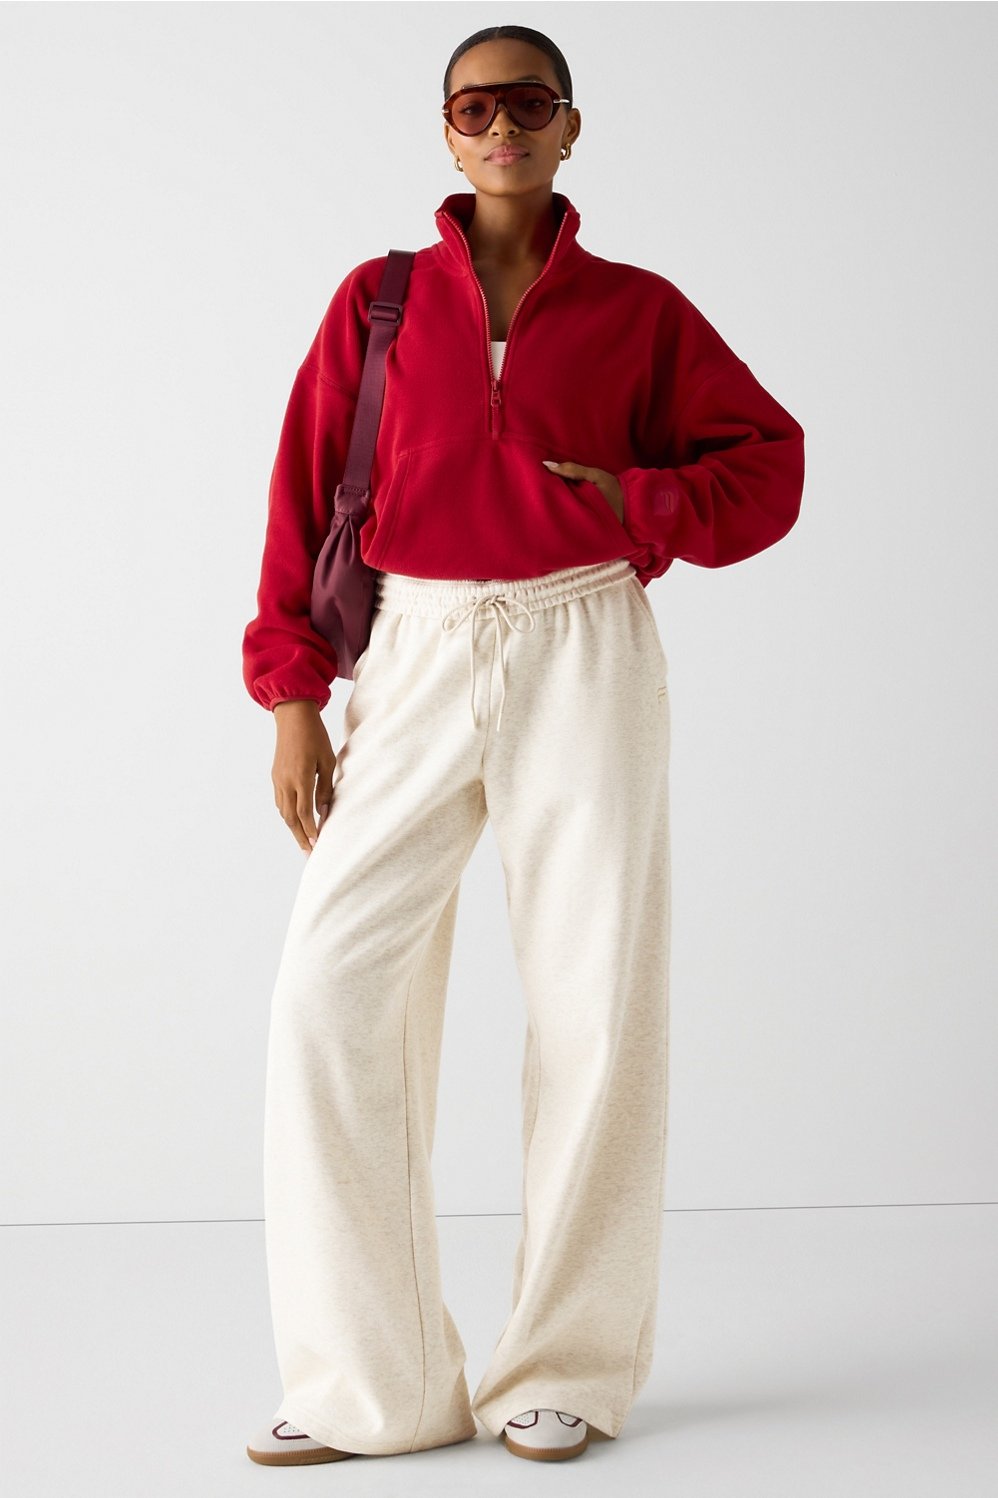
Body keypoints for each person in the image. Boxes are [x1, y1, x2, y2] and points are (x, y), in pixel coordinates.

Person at [241, 23, 805, 1469]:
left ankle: (566, 1365)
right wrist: (295, 694)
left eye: (529, 103)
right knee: (331, 994)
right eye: (475, 105)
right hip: (418, 647)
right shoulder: (377, 301)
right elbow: (303, 495)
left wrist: (634, 504)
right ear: (444, 129)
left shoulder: (640, 311)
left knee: (593, 1000)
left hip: (582, 636)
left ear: (569, 126)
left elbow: (768, 463)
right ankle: (375, 1383)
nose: (502, 126)